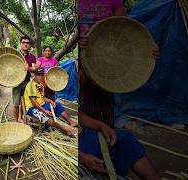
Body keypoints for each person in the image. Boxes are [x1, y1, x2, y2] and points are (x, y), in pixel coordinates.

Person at [78, 0, 160, 179]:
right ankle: (95, 162)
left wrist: (146, 50)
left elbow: (124, 33)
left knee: (108, 131)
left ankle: (108, 164)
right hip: (83, 67)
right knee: (88, 131)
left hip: (106, 71)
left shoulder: (114, 1)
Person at [24, 67, 77, 135]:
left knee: (57, 105)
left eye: (42, 75)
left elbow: (42, 97)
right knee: (43, 116)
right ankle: (64, 128)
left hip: (42, 104)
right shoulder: (31, 86)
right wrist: (44, 111)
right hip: (32, 108)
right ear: (35, 75)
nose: (40, 77)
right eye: (38, 75)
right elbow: (34, 102)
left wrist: (50, 101)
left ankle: (71, 122)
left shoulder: (40, 84)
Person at [12, 35, 37, 123]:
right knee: (16, 103)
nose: (25, 44)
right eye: (23, 42)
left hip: (26, 82)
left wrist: (28, 68)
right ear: (20, 44)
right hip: (16, 82)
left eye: (27, 43)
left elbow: (34, 69)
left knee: (25, 101)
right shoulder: (15, 54)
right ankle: (16, 120)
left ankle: (21, 117)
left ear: (30, 45)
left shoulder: (32, 57)